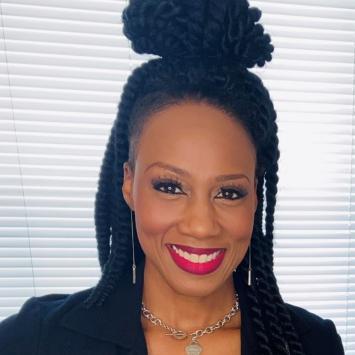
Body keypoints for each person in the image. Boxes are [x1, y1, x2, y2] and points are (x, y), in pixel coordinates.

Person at [0, 0, 345, 354]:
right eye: (170, 186)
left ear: (256, 196)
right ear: (129, 184)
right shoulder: (36, 339)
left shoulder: (311, 343)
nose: (201, 225)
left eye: (228, 192)